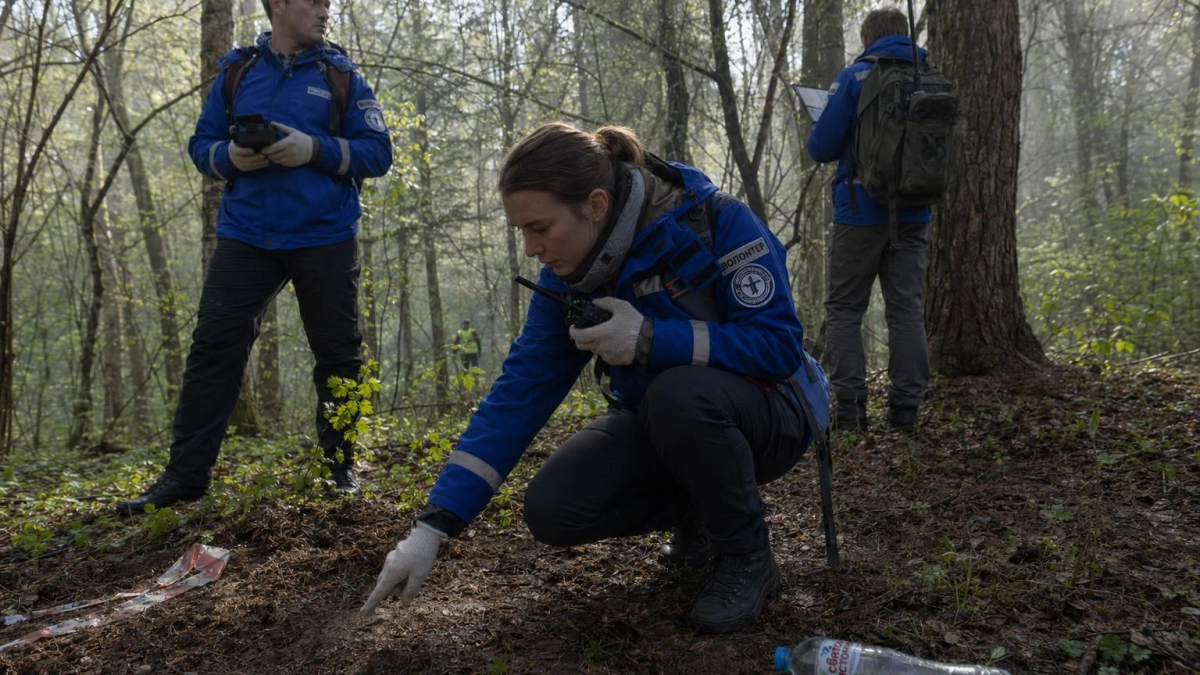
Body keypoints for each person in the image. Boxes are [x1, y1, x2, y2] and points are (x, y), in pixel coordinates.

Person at [360, 122, 829, 633]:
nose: (532, 249)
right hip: (665, 422)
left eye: (540, 228)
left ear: (597, 205)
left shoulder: (717, 220)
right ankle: (701, 511)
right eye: (522, 232)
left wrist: (651, 338)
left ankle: (747, 558)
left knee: (680, 396)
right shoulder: (570, 274)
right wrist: (433, 526)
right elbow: (520, 392)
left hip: (772, 414)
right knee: (554, 508)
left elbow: (779, 347)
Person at [115, 0, 392, 516]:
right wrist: (230, 158)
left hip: (325, 235)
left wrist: (314, 149)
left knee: (339, 355)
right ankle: (183, 479)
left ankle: (340, 472)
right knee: (212, 351)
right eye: (315, 1)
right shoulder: (237, 71)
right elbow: (202, 144)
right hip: (247, 235)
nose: (325, 10)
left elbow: (379, 152)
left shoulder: (342, 76)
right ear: (280, 5)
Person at [806, 7, 932, 433]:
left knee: (844, 309)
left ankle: (851, 410)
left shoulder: (855, 77)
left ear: (868, 40)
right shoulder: (928, 73)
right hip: (915, 209)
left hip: (859, 212)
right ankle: (906, 410)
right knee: (907, 310)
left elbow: (821, 148)